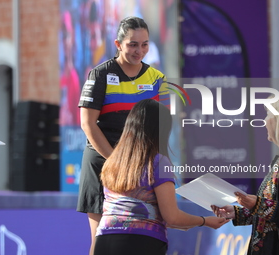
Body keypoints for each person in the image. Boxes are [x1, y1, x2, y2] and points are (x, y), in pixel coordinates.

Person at [77, 16, 169, 255]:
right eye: (132, 44)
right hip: (103, 162)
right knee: (101, 239)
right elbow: (87, 124)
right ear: (118, 44)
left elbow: (160, 126)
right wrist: (116, 161)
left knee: (142, 234)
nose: (139, 50)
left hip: (141, 165)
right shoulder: (100, 75)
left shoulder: (157, 79)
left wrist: (153, 165)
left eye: (144, 44)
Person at [94, 99, 229, 255]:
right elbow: (172, 217)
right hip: (141, 242)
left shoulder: (112, 161)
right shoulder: (158, 162)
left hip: (104, 240)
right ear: (161, 130)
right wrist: (205, 221)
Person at [212, 91, 279, 255]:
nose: (264, 122)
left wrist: (259, 204)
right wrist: (237, 213)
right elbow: (274, 215)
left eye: (268, 115)